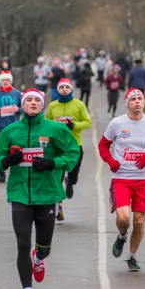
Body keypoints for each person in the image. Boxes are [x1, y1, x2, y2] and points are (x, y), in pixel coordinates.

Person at [0, 88, 81, 289]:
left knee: (43, 246)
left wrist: (52, 164)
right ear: (22, 105)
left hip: (47, 194)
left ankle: (40, 257)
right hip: (19, 194)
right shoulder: (10, 131)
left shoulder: (55, 129)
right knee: (22, 243)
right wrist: (7, 162)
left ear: (42, 105)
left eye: (36, 100)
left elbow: (73, 152)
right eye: (28, 100)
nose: (32, 103)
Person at [98, 88, 145, 271]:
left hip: (143, 180)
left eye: (140, 99)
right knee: (123, 218)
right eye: (133, 99)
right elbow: (103, 145)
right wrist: (111, 161)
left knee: (139, 221)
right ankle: (122, 235)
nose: (137, 102)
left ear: (144, 103)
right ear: (127, 104)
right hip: (121, 178)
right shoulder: (117, 123)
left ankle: (131, 256)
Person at [45, 78, 92, 221]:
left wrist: (75, 125)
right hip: (57, 148)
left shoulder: (79, 105)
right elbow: (46, 123)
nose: (64, 89)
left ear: (71, 89)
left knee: (74, 177)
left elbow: (88, 122)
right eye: (61, 87)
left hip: (74, 147)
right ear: (58, 90)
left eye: (67, 87)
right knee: (56, 179)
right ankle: (58, 208)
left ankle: (70, 181)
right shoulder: (53, 106)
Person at [0, 70, 23, 182]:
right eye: (3, 80)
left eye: (7, 80)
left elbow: (25, 108)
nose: (5, 82)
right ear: (0, 82)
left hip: (14, 126)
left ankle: (16, 171)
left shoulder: (17, 94)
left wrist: (18, 109)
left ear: (11, 81)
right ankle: (1, 173)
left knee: (17, 149)